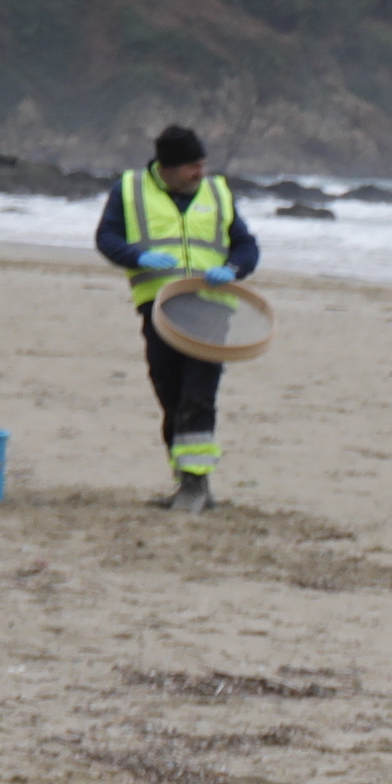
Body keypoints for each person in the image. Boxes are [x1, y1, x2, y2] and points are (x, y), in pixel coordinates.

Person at [94, 123, 261, 511]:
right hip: (159, 306)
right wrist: (136, 256)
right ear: (166, 168)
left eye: (202, 164)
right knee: (169, 392)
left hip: (210, 304)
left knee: (198, 393)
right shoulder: (130, 190)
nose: (200, 173)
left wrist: (234, 269)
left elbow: (246, 245)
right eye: (191, 167)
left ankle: (196, 485)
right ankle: (186, 478)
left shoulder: (218, 192)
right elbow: (107, 238)